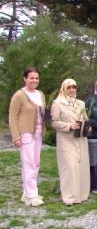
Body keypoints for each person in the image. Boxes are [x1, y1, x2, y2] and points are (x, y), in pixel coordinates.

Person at [9, 67, 46, 207]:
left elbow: (42, 114)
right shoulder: (19, 95)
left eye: (36, 78)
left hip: (38, 133)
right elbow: (12, 117)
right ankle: (32, 195)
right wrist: (15, 136)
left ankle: (27, 192)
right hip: (26, 134)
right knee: (28, 164)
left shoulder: (40, 94)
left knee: (35, 163)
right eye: (31, 78)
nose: (34, 80)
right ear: (25, 79)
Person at [51, 78, 90, 205]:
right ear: (64, 88)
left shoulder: (81, 103)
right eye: (69, 87)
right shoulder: (57, 103)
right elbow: (54, 122)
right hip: (66, 140)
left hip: (81, 139)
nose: (72, 90)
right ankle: (69, 197)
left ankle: (82, 194)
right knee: (70, 167)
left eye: (74, 87)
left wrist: (88, 128)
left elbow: (85, 118)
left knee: (81, 166)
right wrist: (69, 126)